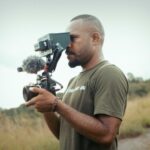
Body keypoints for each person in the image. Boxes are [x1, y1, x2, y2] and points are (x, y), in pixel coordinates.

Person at [26, 14, 128, 150]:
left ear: (95, 38)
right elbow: (63, 134)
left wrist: (57, 105)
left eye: (72, 38)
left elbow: (106, 135)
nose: (66, 46)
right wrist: (47, 107)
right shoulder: (73, 81)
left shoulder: (108, 73)